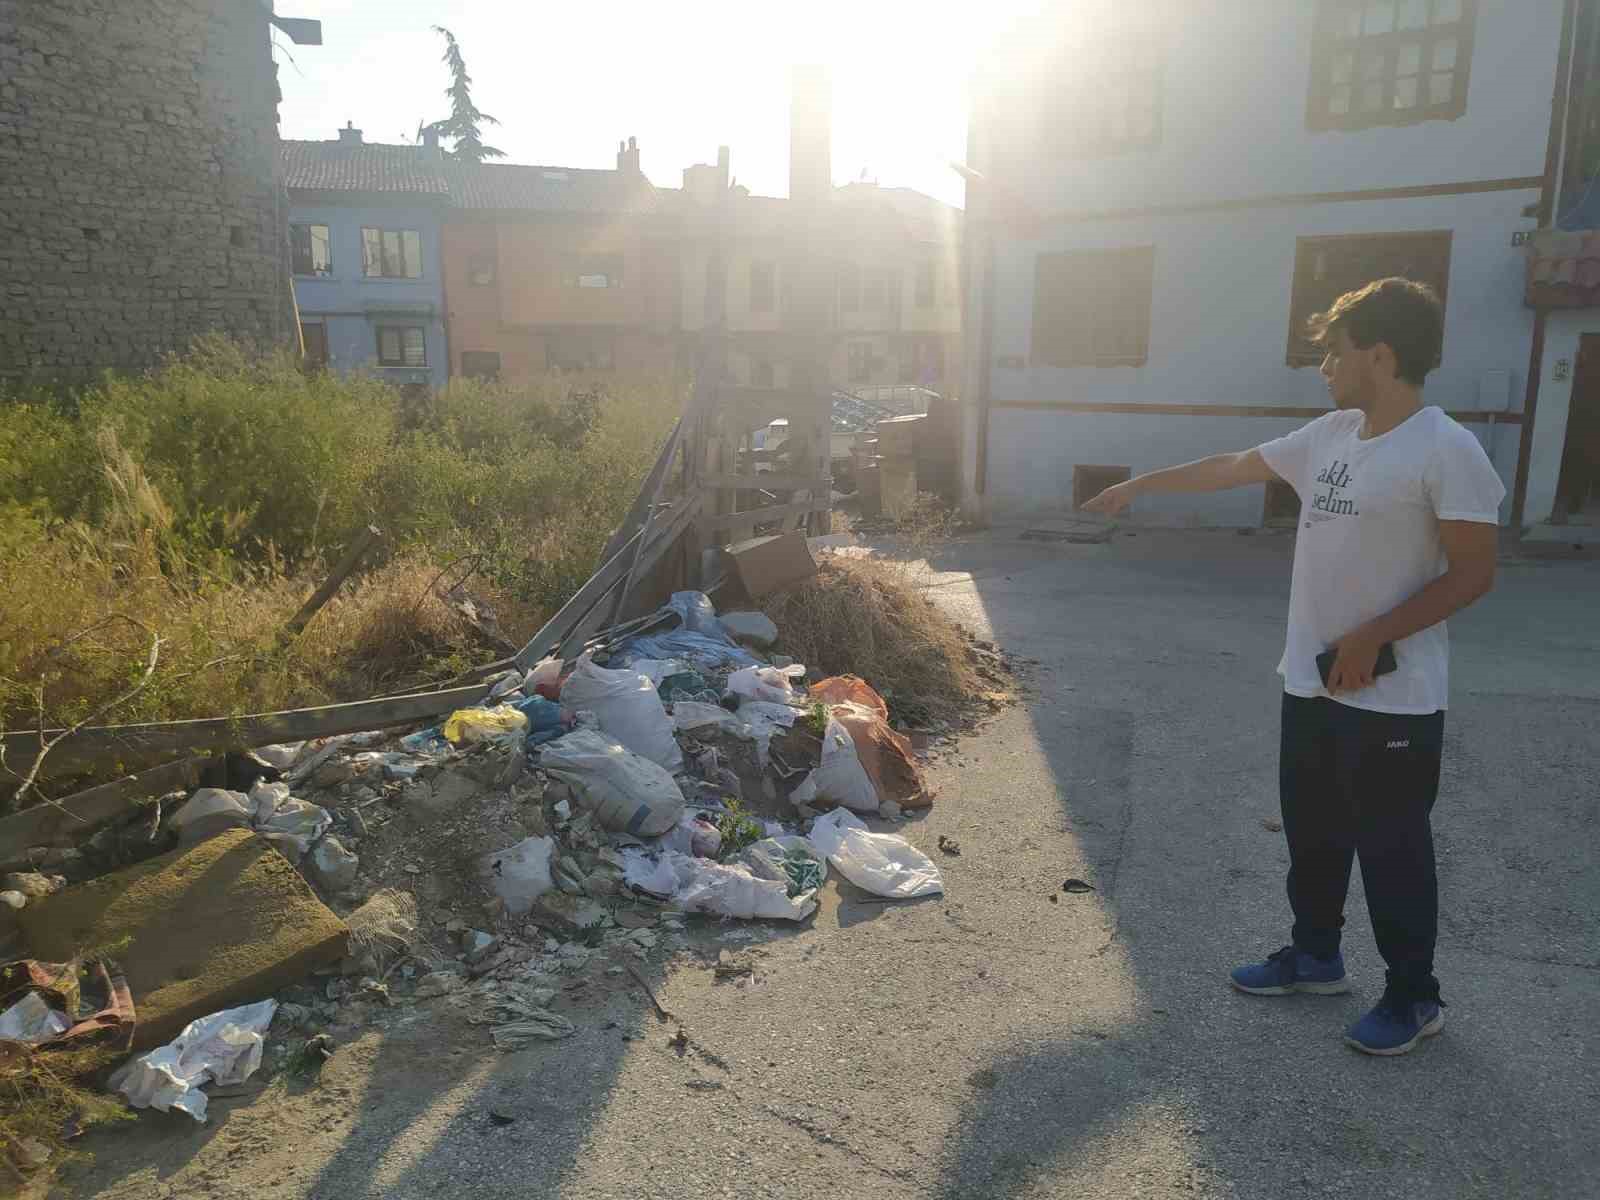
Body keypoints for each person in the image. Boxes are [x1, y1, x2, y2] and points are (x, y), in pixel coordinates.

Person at [1083, 278, 1504, 1055]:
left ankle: (1415, 997)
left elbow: (1475, 573)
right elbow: (1236, 464)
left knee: (1393, 849)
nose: (1323, 369)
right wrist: (1144, 485)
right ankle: (1315, 956)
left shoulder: (1446, 447)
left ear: (1380, 354)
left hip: (1392, 696)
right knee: (1313, 833)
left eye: (1333, 353)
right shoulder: (1333, 434)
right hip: (1310, 682)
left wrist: (1373, 632)